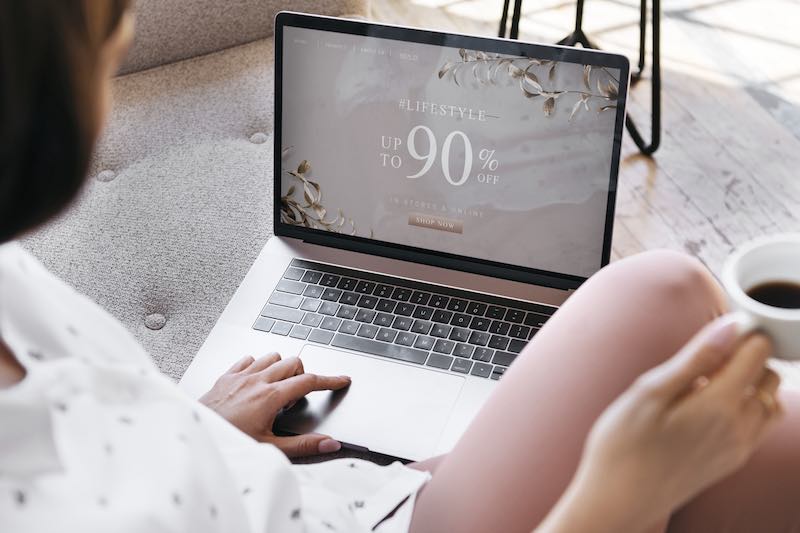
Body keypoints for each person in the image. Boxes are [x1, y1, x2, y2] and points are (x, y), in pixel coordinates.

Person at [0, 2, 798, 532]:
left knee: (777, 440)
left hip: (317, 502)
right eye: (106, 23)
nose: (123, 35)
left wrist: (191, 428)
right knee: (665, 291)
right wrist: (619, 497)